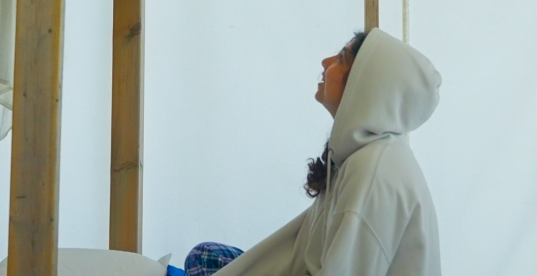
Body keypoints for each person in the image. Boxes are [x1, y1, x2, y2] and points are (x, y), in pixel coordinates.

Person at [185, 29, 442, 276]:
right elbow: (303, 252)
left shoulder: (375, 169)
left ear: (365, 84)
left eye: (341, 59)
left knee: (204, 261)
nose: (326, 62)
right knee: (205, 256)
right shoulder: (361, 155)